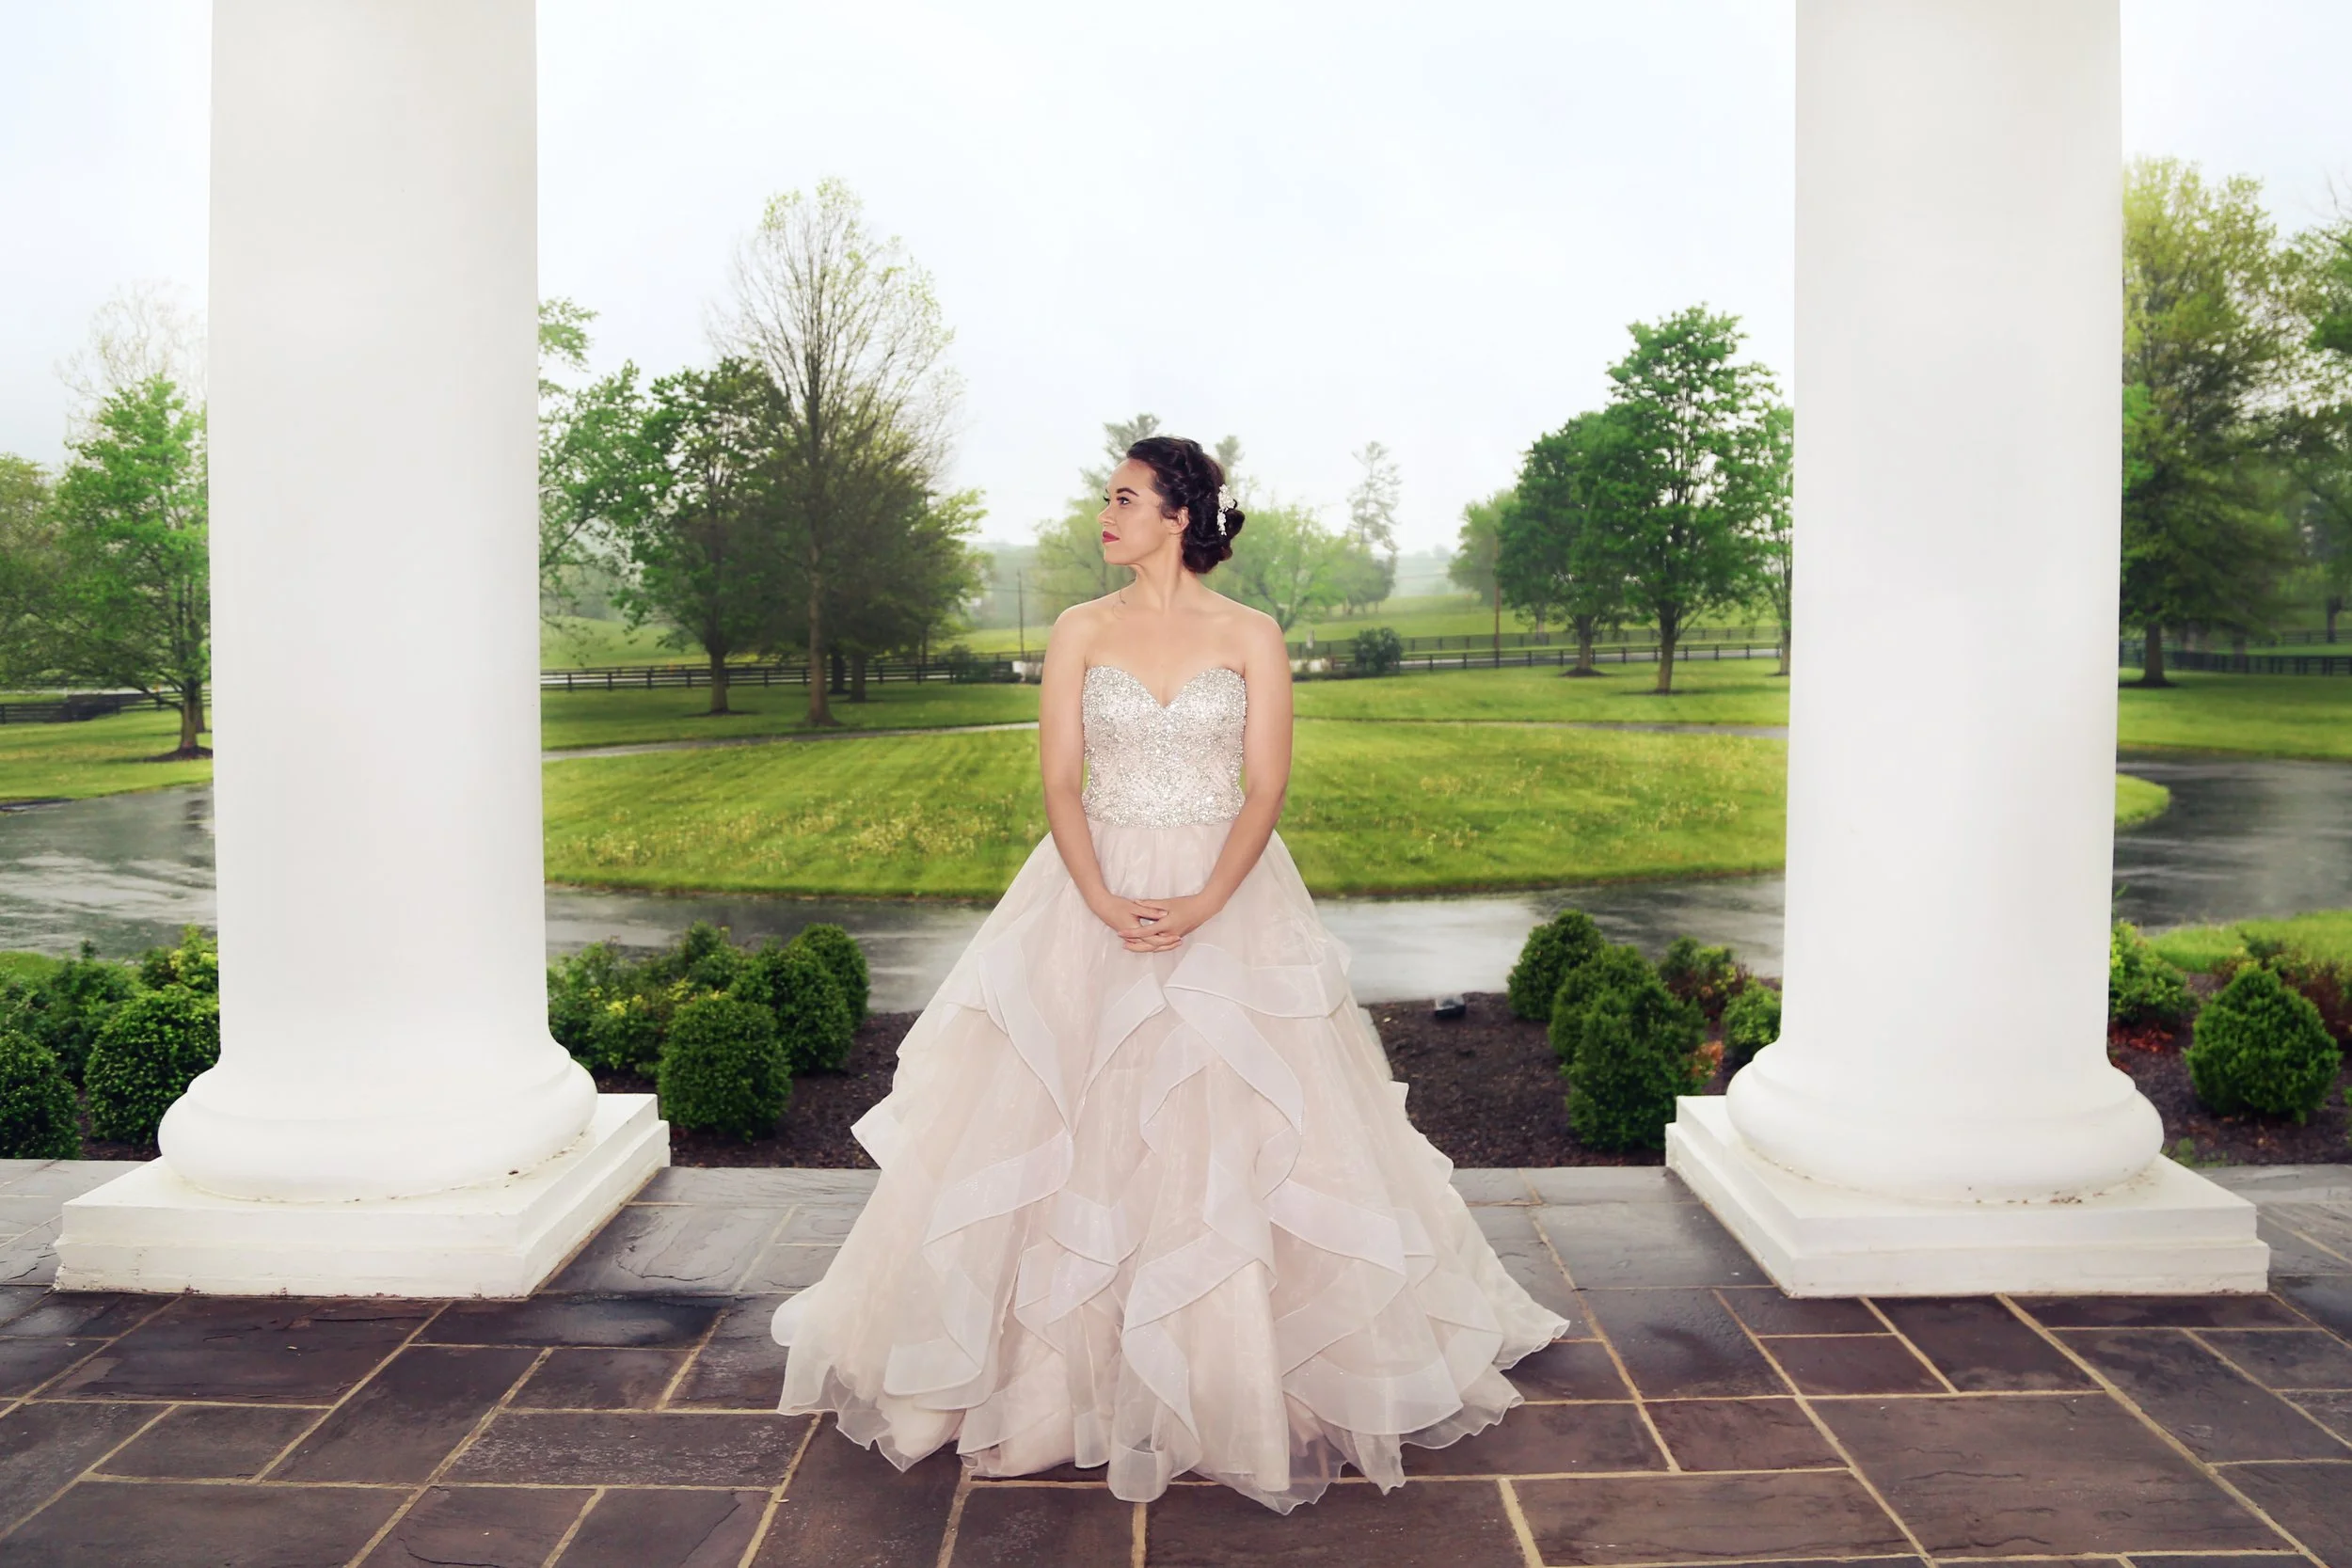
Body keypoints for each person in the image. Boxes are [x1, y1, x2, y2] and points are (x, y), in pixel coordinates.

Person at [770, 434, 1573, 1513]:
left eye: (1123, 498)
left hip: (1228, 896)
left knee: (1236, 1126)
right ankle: (1051, 1386)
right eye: (1106, 497)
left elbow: (1265, 786)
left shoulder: (1250, 634)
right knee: (1066, 1120)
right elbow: (1059, 776)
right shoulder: (1076, 629)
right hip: (1087, 890)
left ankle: (1235, 1380)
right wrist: (1101, 895)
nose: (1103, 515)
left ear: (1179, 515)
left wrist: (1204, 903)